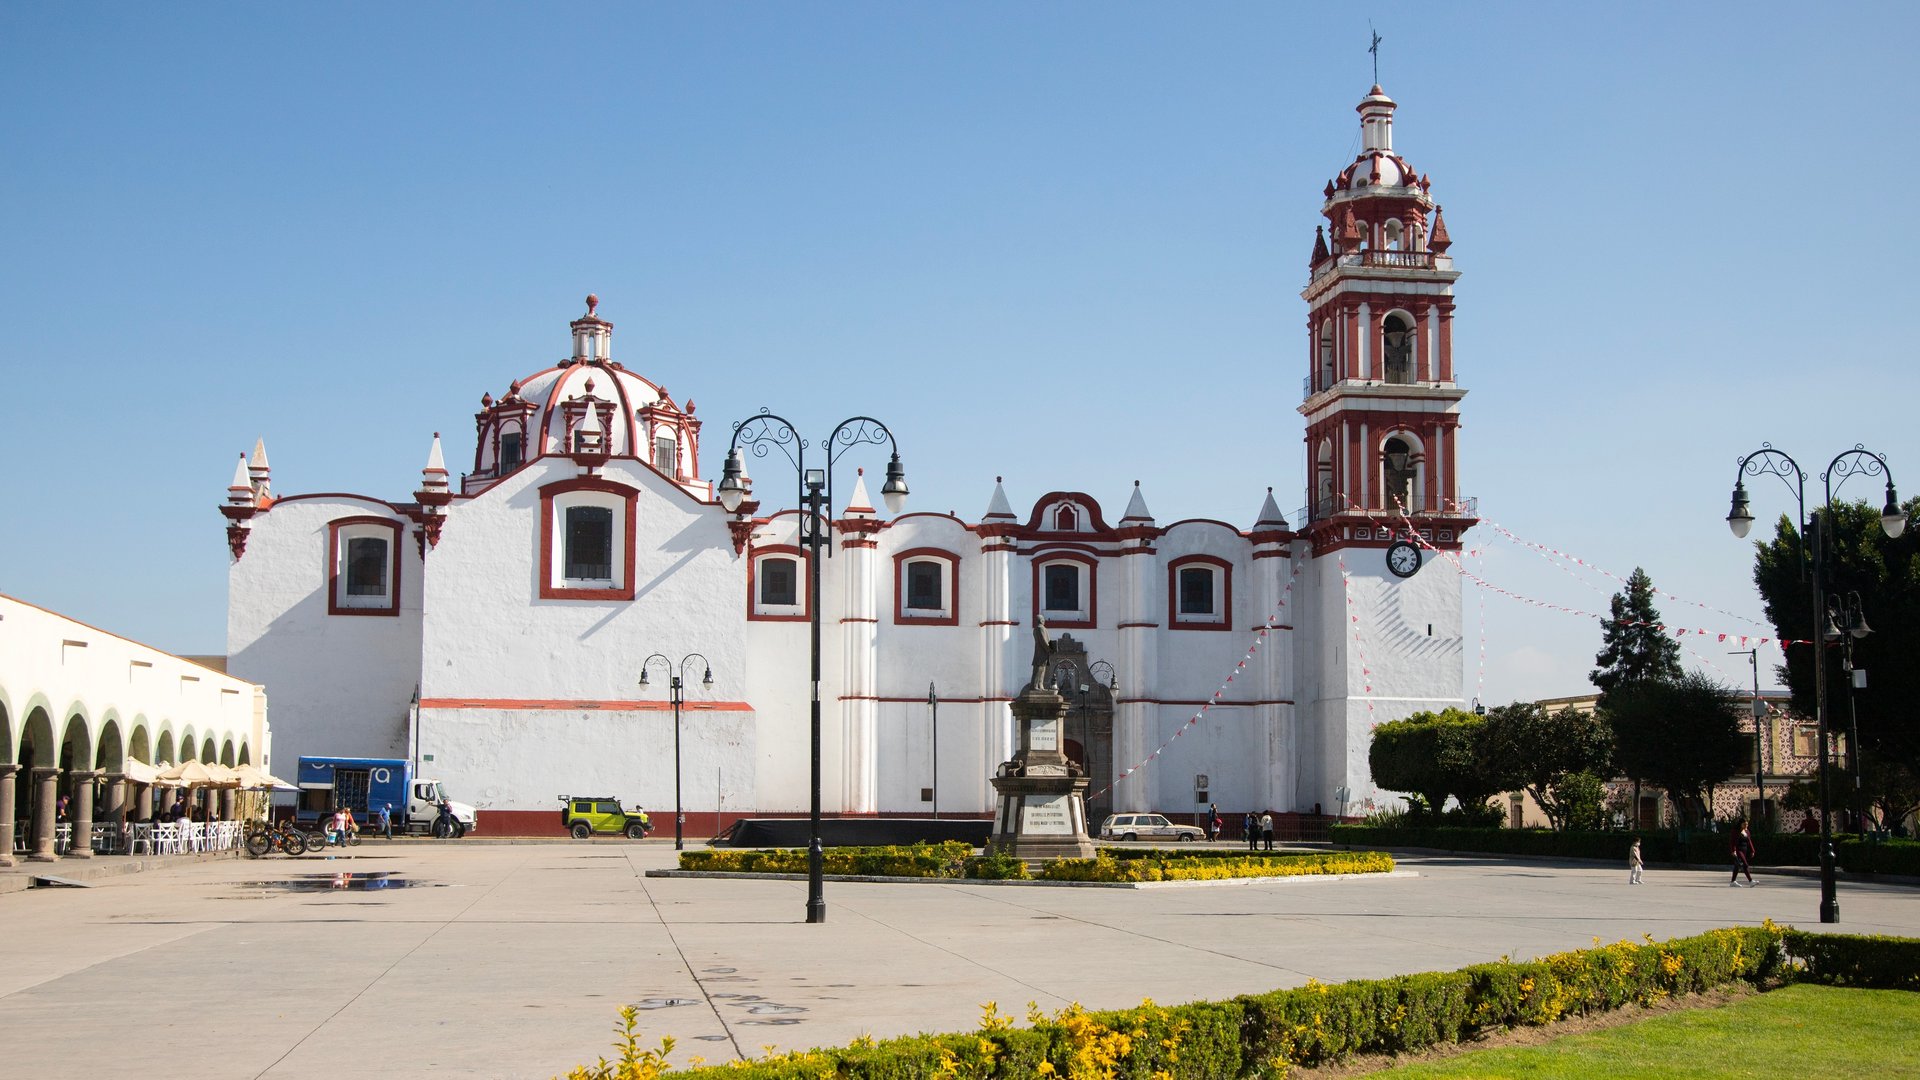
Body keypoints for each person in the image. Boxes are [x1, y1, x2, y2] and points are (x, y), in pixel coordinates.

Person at [1730, 820, 1756, 887]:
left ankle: (1733, 881)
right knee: (1745, 864)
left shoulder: (1747, 831)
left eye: (1747, 824)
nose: (1746, 826)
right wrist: (1733, 851)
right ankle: (1750, 881)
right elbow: (1732, 842)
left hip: (1745, 850)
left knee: (1737, 865)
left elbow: (1749, 841)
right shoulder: (1736, 831)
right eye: (1744, 824)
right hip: (1738, 850)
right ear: (1740, 824)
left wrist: (1752, 850)